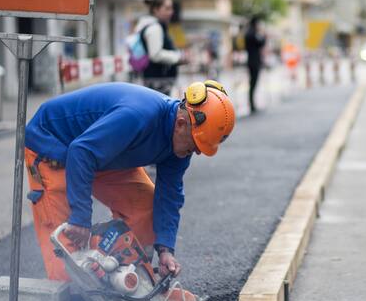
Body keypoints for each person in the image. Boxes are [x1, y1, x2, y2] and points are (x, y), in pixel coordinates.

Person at [24, 80, 235, 281]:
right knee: (67, 254)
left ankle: (121, 281)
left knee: (145, 210)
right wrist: (80, 216)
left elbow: (170, 195)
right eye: (196, 146)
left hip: (102, 152)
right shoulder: (139, 115)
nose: (196, 153)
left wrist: (165, 249)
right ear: (180, 124)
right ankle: (80, 294)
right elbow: (80, 152)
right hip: (54, 145)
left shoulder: (183, 140)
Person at [135, 0, 184, 95]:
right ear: (156, 10)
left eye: (171, 8)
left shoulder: (153, 26)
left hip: (157, 80)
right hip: (157, 82)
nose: (171, 12)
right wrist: (178, 57)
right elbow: (155, 55)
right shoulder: (154, 28)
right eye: (167, 8)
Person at [244, 16, 266, 114]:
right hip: (254, 62)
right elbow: (261, 43)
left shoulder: (248, 33)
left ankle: (252, 104)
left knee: (252, 83)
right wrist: (264, 35)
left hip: (251, 61)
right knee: (253, 84)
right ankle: (252, 105)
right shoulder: (253, 34)